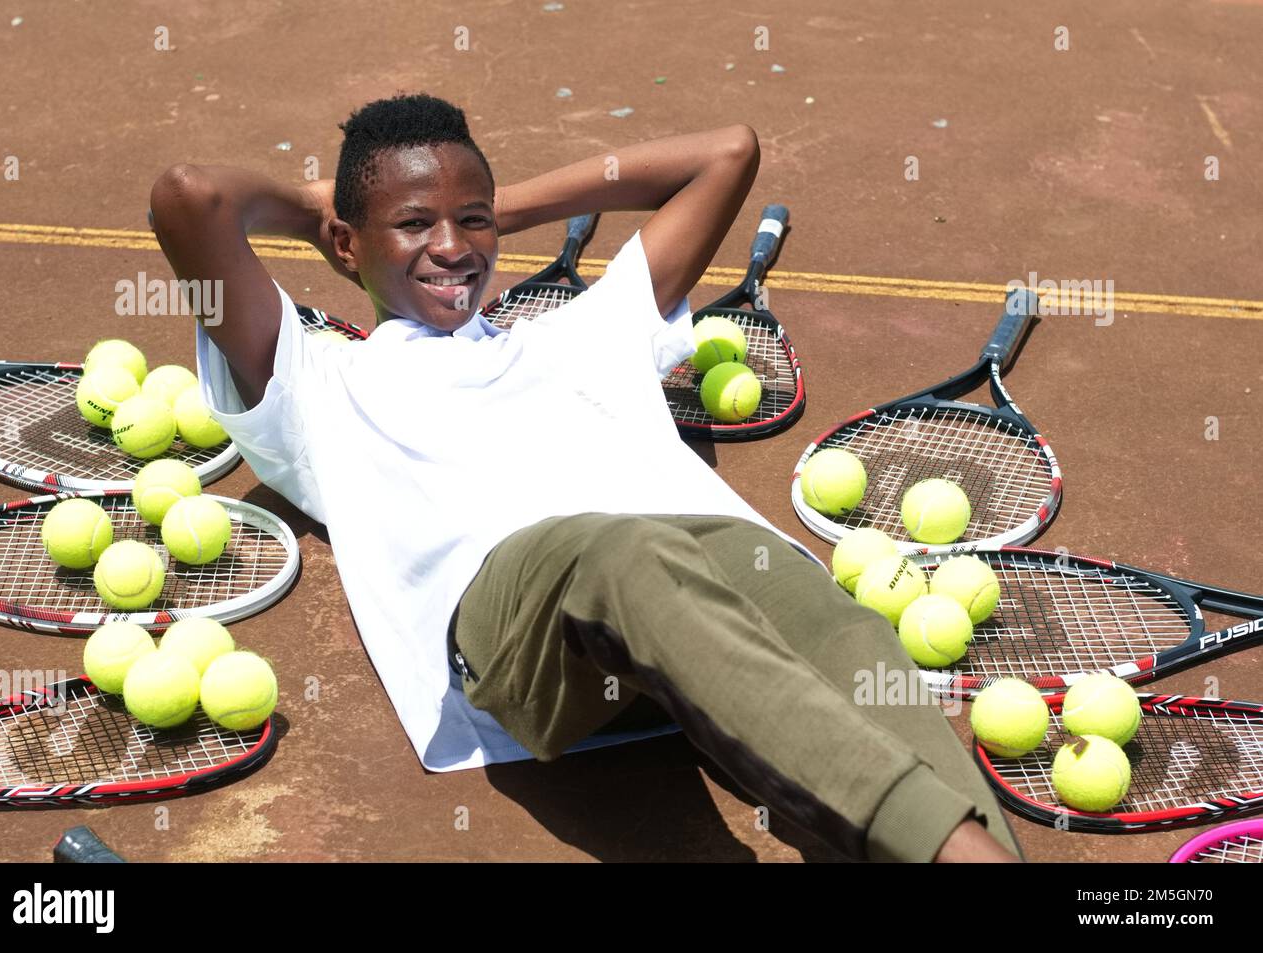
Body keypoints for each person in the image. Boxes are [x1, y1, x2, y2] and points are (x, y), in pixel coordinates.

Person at [149, 92, 1020, 862]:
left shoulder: (580, 331)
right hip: (535, 618)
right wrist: (327, 213)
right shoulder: (317, 380)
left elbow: (728, 152)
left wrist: (485, 205)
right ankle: (955, 852)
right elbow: (190, 198)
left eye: (473, 221)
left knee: (848, 630)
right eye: (415, 223)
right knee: (625, 555)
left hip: (705, 602)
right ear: (348, 241)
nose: (452, 247)